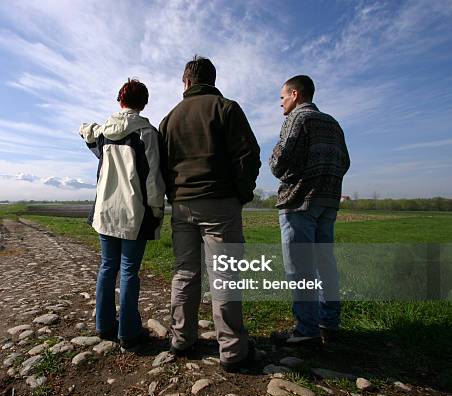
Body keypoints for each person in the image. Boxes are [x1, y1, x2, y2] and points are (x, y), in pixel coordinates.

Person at [158, 56, 261, 372]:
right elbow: (249, 155)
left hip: (181, 204)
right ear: (212, 80)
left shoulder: (169, 118)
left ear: (185, 81)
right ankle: (231, 351)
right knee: (225, 274)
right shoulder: (227, 108)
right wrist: (240, 194)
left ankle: (181, 339)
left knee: (185, 272)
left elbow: (161, 165)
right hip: (220, 203)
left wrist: (173, 194)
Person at [79, 79, 165, 349]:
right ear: (144, 103)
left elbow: (87, 132)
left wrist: (84, 128)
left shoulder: (104, 132)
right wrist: (157, 209)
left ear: (120, 100)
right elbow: (152, 178)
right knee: (129, 271)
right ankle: (128, 332)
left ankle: (104, 325)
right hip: (133, 213)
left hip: (105, 212)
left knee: (107, 267)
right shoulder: (147, 133)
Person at [269, 75, 350, 346]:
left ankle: (306, 329)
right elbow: (345, 162)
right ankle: (329, 322)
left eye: (282, 97)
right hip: (327, 202)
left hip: (299, 201)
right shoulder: (334, 123)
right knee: (326, 264)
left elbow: (279, 162)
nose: (280, 103)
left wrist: (288, 168)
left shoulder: (297, 119)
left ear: (295, 95)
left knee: (299, 267)